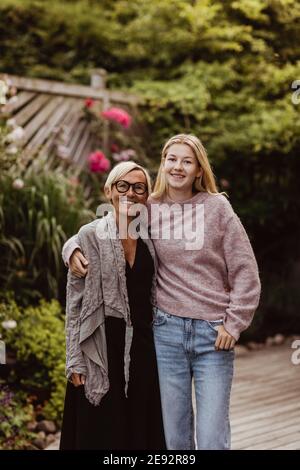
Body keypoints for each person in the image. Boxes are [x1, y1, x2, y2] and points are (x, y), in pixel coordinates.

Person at [63, 134, 261, 450]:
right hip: (166, 334)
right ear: (163, 164)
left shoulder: (217, 208)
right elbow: (99, 229)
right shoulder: (148, 206)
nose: (178, 167)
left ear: (199, 169)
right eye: (172, 159)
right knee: (174, 438)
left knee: (212, 437)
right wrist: (70, 248)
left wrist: (234, 322)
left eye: (187, 161)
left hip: (213, 334)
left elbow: (246, 272)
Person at [59, 161, 166, 450]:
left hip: (144, 347)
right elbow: (74, 306)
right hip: (102, 346)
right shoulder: (89, 236)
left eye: (139, 187)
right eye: (123, 185)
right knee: (104, 431)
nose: (130, 192)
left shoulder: (150, 236)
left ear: (146, 195)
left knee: (141, 431)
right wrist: (74, 360)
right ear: (109, 190)